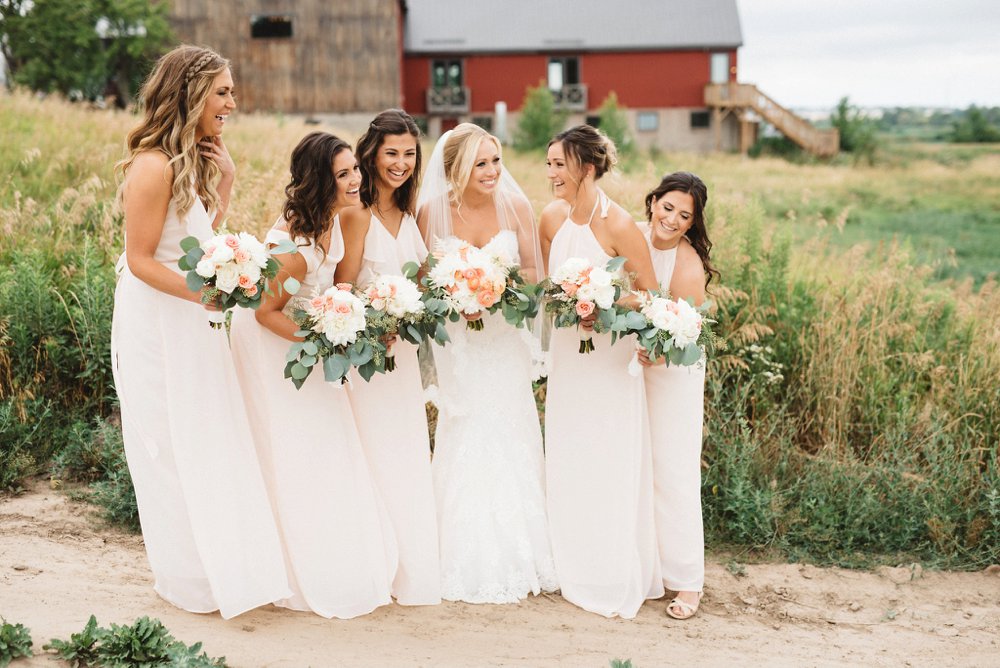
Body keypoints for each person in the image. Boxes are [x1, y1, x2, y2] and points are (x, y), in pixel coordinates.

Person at [110, 45, 290, 618]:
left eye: (232, 91)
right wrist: (210, 293)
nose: (232, 103)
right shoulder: (152, 165)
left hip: (191, 317)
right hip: (156, 322)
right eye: (223, 91)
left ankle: (218, 565)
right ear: (190, 94)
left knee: (206, 435)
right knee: (168, 442)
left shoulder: (193, 163)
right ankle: (188, 577)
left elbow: (196, 243)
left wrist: (227, 183)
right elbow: (140, 259)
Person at [229, 132, 398, 619]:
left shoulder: (335, 220)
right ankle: (293, 564)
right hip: (275, 347)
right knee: (299, 446)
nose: (356, 179)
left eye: (355, 170)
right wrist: (326, 342)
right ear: (321, 180)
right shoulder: (296, 247)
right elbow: (265, 311)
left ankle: (332, 555)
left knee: (326, 443)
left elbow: (335, 287)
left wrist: (348, 322)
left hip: (301, 337)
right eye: (343, 173)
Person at [416, 122, 557, 604]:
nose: (494, 171)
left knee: (512, 429)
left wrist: (500, 292)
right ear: (456, 168)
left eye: (496, 160)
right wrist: (455, 297)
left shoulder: (516, 206)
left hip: (503, 343)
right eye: (481, 163)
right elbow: (421, 280)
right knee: (464, 430)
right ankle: (453, 549)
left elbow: (535, 273)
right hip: (462, 346)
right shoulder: (431, 212)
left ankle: (527, 550)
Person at [538, 124, 664, 618]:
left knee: (606, 453)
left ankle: (609, 567)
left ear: (586, 168)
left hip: (610, 360)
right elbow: (546, 285)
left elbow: (652, 295)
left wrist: (602, 297)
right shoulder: (550, 218)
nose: (551, 174)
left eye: (558, 165)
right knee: (570, 449)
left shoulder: (619, 225)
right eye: (548, 164)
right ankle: (570, 558)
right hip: (569, 358)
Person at [335, 109, 441, 606]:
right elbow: (342, 290)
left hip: (404, 358)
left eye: (408, 154)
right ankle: (370, 563)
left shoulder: (410, 212)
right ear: (372, 153)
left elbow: (419, 280)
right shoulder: (355, 213)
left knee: (404, 452)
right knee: (373, 453)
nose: (400, 163)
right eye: (391, 153)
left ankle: (409, 565)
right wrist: (377, 323)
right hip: (368, 358)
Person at [636, 172, 719, 620]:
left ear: (692, 224)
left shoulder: (686, 264)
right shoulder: (630, 238)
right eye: (667, 207)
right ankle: (647, 565)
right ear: (653, 202)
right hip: (633, 369)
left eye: (684, 216)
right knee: (637, 463)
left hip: (674, 372)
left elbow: (687, 333)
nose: (671, 219)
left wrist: (657, 352)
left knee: (673, 468)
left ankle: (688, 581)